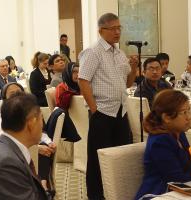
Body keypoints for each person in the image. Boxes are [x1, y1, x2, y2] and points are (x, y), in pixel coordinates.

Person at [78, 13, 138, 199]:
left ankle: (118, 192)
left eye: (119, 28)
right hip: (102, 111)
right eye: (113, 28)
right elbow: (83, 80)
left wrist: (134, 68)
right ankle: (95, 195)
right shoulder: (93, 51)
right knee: (98, 159)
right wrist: (94, 109)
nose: (118, 32)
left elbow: (127, 83)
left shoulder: (119, 53)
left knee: (121, 155)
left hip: (121, 110)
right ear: (101, 30)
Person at [0, 92, 48, 200]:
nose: (42, 125)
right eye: (41, 119)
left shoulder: (9, 148)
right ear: (31, 123)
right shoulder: (7, 163)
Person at [135, 89, 191, 199]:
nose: (189, 117)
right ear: (167, 118)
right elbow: (176, 178)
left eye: (189, 110)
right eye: (184, 113)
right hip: (158, 193)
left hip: (182, 190)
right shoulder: (159, 141)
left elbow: (190, 166)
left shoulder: (179, 133)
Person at [1, 82, 57, 195]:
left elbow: (43, 132)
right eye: (12, 94)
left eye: (19, 93)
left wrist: (47, 142)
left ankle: (44, 183)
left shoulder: (14, 149)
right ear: (32, 123)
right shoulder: (10, 164)